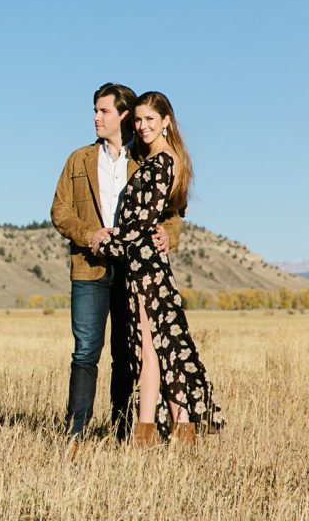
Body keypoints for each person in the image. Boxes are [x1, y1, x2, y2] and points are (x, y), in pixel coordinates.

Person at [51, 83, 182, 442]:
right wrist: (89, 234)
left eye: (103, 111)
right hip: (89, 267)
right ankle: (75, 433)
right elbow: (59, 210)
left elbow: (172, 211)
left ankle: (123, 432)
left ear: (123, 115)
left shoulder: (145, 160)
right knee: (85, 351)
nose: (96, 117)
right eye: (95, 110)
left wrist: (170, 235)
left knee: (127, 354)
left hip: (132, 271)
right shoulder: (78, 159)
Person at [92, 91, 224, 445]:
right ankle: (170, 430)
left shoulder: (161, 163)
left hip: (147, 265)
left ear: (166, 121)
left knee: (153, 348)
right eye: (138, 120)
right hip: (143, 264)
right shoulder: (157, 160)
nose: (142, 126)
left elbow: (139, 225)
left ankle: (155, 432)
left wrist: (103, 241)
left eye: (150, 119)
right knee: (158, 347)